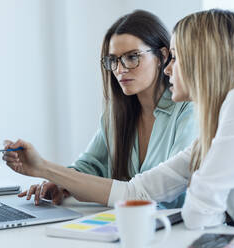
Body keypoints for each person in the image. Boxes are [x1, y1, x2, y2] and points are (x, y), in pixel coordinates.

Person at [3, 9, 234, 240]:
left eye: (177, 58)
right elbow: (137, 193)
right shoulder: (221, 122)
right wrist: (44, 169)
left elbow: (199, 210)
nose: (170, 69)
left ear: (203, 62)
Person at [12, 10, 197, 209]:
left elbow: (169, 192)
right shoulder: (116, 114)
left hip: (173, 228)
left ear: (162, 56)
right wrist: (59, 184)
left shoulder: (188, 111)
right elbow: (89, 166)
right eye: (114, 60)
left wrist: (46, 169)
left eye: (132, 57)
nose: (120, 69)